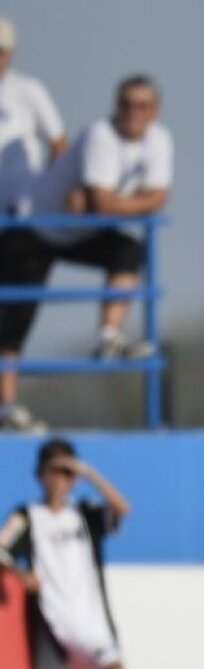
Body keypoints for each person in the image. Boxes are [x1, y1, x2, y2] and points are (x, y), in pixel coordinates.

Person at [0, 73, 172, 414]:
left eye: (142, 106)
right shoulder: (101, 136)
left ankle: (108, 335)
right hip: (36, 226)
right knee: (14, 319)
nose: (133, 112)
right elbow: (107, 203)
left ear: (155, 111)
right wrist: (132, 201)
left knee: (129, 251)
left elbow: (156, 199)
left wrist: (108, 203)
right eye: (126, 105)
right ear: (115, 106)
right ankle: (6, 405)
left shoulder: (160, 140)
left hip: (77, 229)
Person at [0, 438, 132, 669]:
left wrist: (87, 472)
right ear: (41, 474)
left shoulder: (84, 513)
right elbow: (2, 549)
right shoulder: (28, 516)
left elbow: (122, 509)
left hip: (95, 619)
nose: (62, 479)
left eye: (67, 472)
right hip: (60, 622)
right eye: (55, 471)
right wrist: (21, 575)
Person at [0, 17, 67, 431]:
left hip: (21, 221)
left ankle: (6, 400)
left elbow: (59, 143)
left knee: (14, 312)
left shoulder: (28, 92)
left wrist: (51, 195)